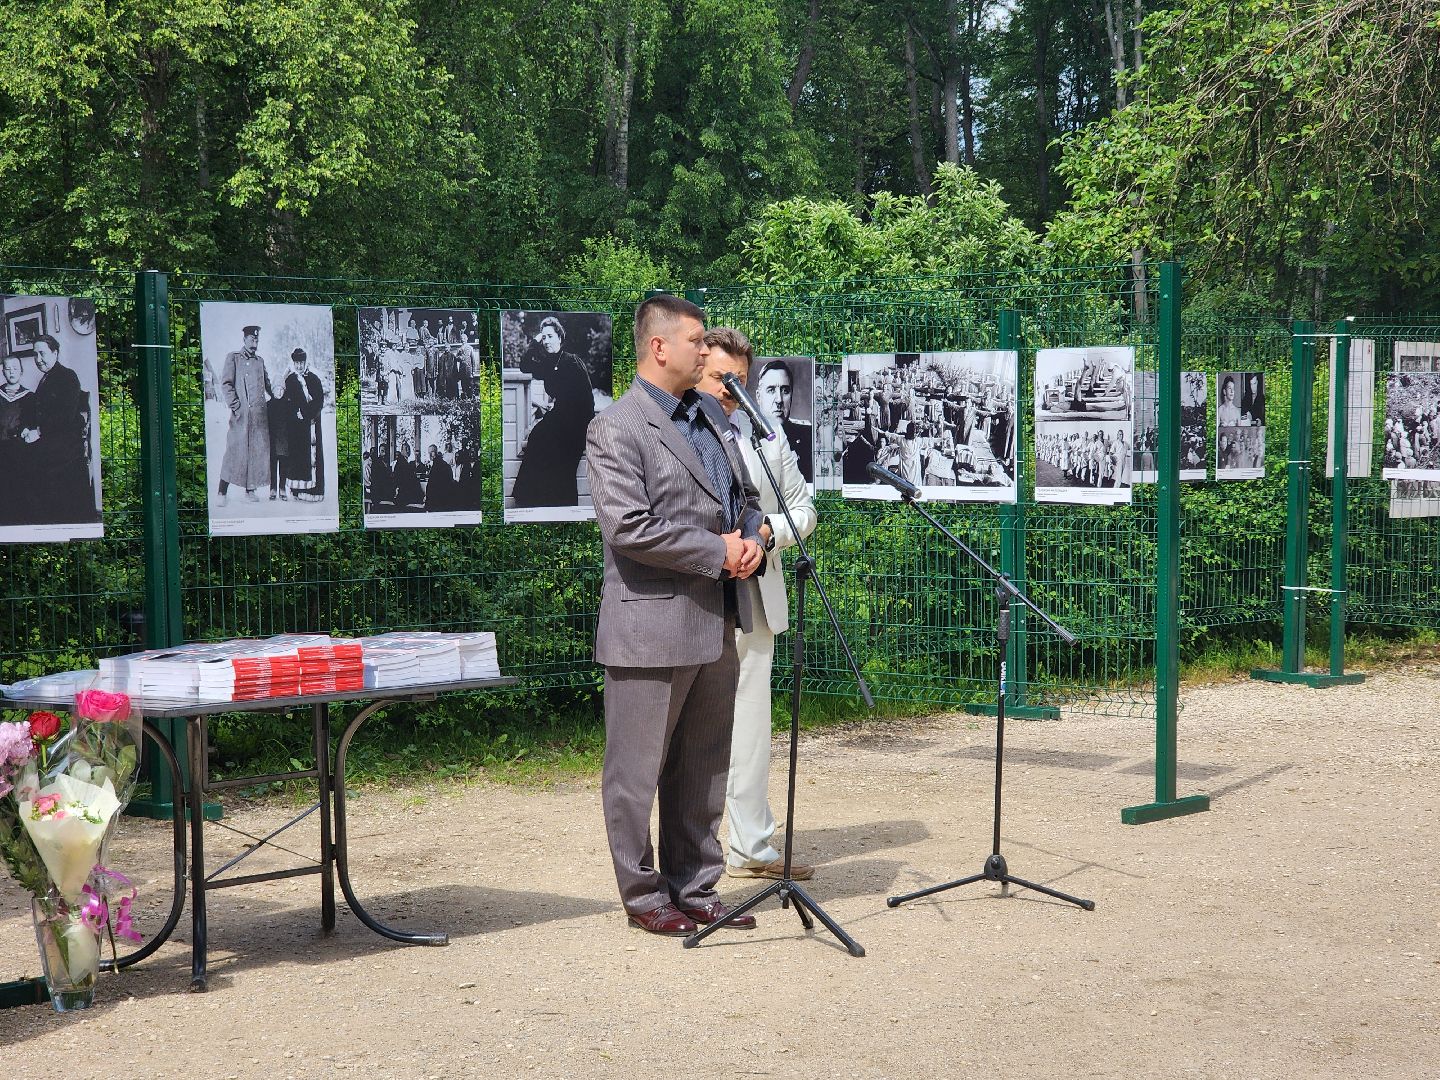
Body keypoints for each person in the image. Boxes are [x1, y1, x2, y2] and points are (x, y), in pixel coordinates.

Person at [585, 294, 766, 938]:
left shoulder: (713, 417)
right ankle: (643, 895)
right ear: (659, 347)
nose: (705, 348)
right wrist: (718, 551)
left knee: (704, 765)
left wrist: (754, 537)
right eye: (695, 339)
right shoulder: (617, 426)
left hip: (717, 617)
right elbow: (628, 527)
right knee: (636, 772)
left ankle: (695, 885)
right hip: (650, 628)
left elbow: (744, 497)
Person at [700, 328, 819, 882]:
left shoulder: (768, 439)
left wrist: (768, 533)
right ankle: (689, 854)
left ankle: (751, 846)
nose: (732, 391)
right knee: (694, 732)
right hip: (696, 596)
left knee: (750, 726)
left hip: (755, 594)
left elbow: (805, 508)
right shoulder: (675, 431)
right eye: (721, 379)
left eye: (740, 381)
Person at [511, 316, 595, 508]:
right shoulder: (547, 364)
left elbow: (587, 400)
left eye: (550, 336)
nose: (546, 341)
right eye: (544, 337)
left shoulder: (572, 362)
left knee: (559, 457)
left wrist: (586, 429)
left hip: (576, 422)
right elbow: (524, 365)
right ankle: (533, 499)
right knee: (536, 439)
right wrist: (535, 341)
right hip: (559, 417)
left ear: (559, 337)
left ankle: (562, 505)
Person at [18, 335, 98, 523]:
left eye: (42, 353)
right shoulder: (46, 378)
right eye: (35, 354)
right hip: (52, 442)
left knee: (29, 469)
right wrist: (27, 428)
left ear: (55, 353)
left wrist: (38, 432)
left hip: (66, 450)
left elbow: (64, 416)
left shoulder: (67, 376)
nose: (38, 359)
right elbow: (40, 412)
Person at [216, 325, 272, 507]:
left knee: (255, 452)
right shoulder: (234, 358)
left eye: (257, 340)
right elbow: (226, 384)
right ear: (245, 339)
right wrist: (236, 406)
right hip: (241, 416)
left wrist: (279, 394)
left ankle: (250, 490)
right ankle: (221, 491)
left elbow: (267, 384)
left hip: (258, 417)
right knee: (234, 451)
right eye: (251, 339)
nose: (254, 343)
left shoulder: (260, 361)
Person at [753, 359, 813, 484]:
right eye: (771, 390)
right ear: (758, 397)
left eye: (785, 391)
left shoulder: (808, 436)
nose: (779, 400)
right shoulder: (744, 437)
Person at [280, 348, 326, 501]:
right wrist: (295, 413)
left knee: (312, 457)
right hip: (296, 428)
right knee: (297, 457)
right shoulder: (290, 380)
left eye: (301, 363)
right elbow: (286, 402)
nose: (299, 366)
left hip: (311, 425)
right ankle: (297, 490)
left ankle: (314, 491)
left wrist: (306, 413)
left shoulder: (314, 379)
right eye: (296, 363)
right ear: (293, 363)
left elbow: (319, 401)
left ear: (305, 362)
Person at [0, 353, 35, 522]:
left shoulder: (29, 396)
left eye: (15, 368)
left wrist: (27, 428)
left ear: (21, 371)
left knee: (20, 485)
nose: (11, 371)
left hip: (20, 449)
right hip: (1, 448)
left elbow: (32, 420)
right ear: (3, 372)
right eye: (7, 369)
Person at [423, 444, 454, 511]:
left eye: (432, 452)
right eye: (429, 453)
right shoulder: (442, 464)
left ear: (436, 452)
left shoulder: (438, 465)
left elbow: (432, 486)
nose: (430, 455)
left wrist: (427, 501)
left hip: (437, 501)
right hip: (443, 500)